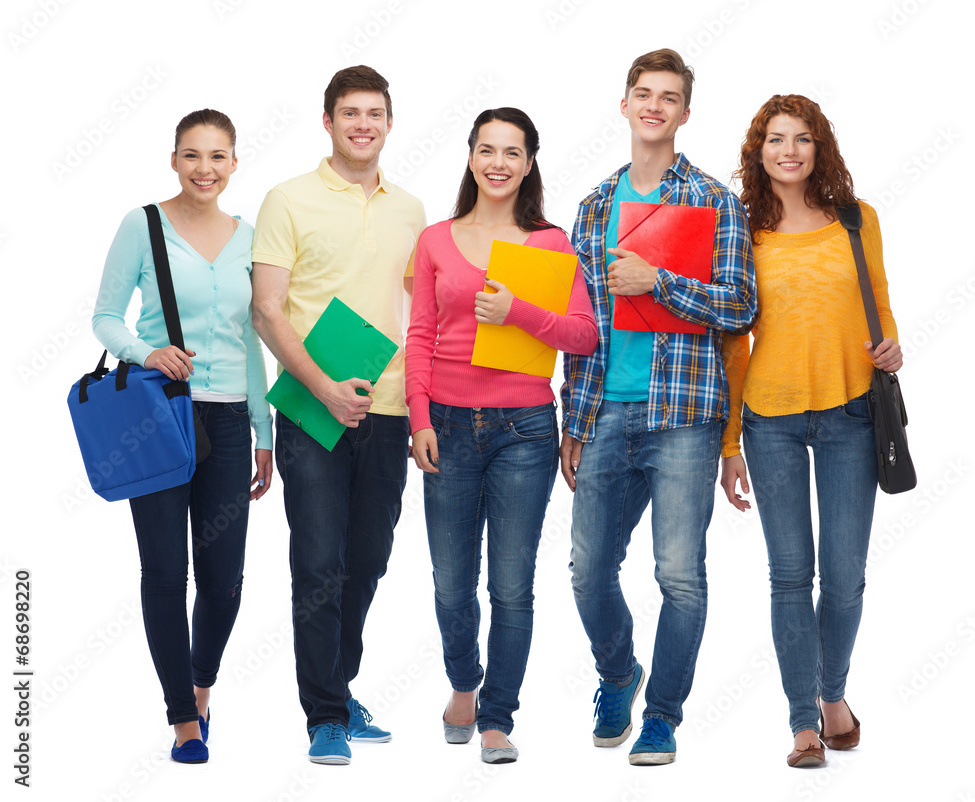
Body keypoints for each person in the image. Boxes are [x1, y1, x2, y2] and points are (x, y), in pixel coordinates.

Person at [560, 49, 757, 766]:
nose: (654, 106)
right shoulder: (591, 208)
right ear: (624, 105)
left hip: (685, 415)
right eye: (643, 94)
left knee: (680, 573)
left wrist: (659, 280)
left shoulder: (714, 201)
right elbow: (577, 327)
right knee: (588, 568)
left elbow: (740, 305)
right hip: (606, 410)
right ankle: (619, 672)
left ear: (683, 113)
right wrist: (572, 423)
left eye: (668, 97)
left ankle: (663, 716)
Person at [406, 108, 598, 764]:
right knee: (451, 580)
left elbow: (582, 335)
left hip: (525, 427)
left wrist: (517, 311)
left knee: (512, 585)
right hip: (449, 425)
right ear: (469, 157)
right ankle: (464, 682)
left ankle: (497, 715)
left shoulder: (550, 242)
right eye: (487, 149)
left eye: (512, 152)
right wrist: (421, 419)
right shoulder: (435, 239)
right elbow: (421, 335)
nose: (498, 162)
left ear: (529, 163)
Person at [251, 65, 425, 765]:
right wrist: (323, 387)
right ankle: (324, 713)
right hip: (310, 408)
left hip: (385, 412)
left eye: (374, 113)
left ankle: (339, 685)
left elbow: (422, 313)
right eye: (349, 113)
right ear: (327, 121)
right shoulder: (287, 199)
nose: (362, 124)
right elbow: (267, 308)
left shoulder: (410, 209)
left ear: (389, 122)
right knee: (318, 562)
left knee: (369, 560)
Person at [721, 94, 901, 768]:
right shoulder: (740, 230)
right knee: (790, 576)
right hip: (770, 419)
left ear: (819, 148)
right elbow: (733, 342)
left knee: (846, 577)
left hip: (852, 412)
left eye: (801, 139)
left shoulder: (858, 220)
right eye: (775, 139)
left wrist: (892, 345)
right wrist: (729, 441)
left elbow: (877, 303)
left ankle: (833, 695)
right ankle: (802, 723)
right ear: (758, 151)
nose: (788, 150)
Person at [92, 109, 273, 764]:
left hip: (227, 422)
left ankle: (200, 686)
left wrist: (263, 429)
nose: (205, 169)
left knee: (223, 580)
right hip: (159, 417)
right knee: (167, 572)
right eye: (193, 155)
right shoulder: (142, 225)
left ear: (234, 163)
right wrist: (146, 351)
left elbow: (253, 336)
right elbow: (105, 317)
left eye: (218, 156)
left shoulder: (251, 236)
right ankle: (182, 719)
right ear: (174, 159)